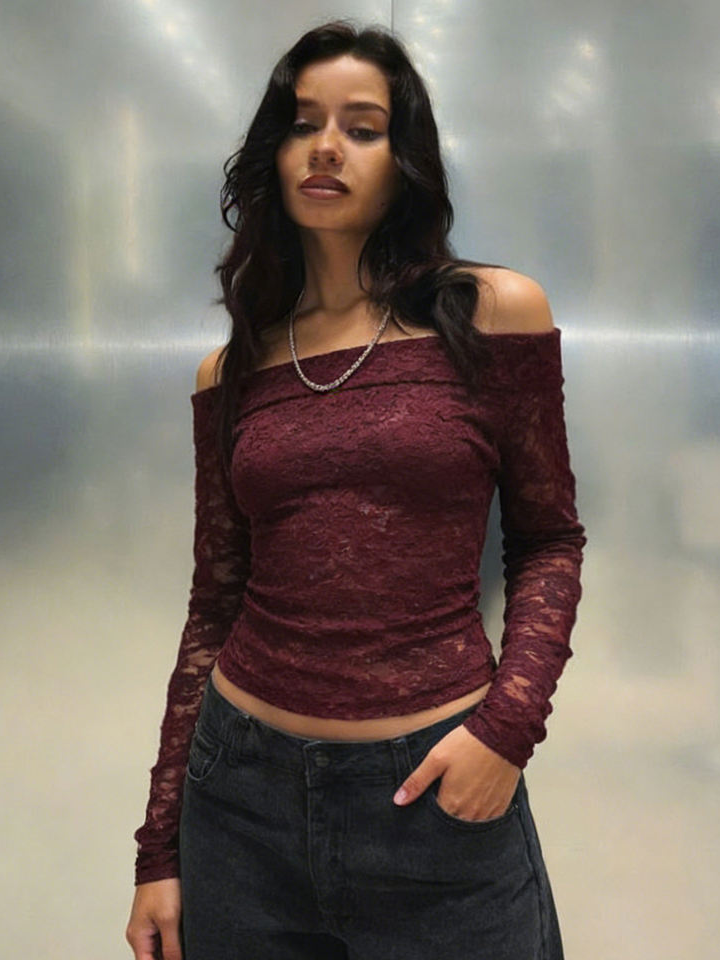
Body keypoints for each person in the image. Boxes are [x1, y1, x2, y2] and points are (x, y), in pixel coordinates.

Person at [126, 18, 586, 960]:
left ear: (403, 159)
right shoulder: (233, 369)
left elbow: (548, 540)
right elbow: (214, 603)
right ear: (274, 152)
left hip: (434, 795)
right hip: (239, 801)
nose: (327, 146)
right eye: (303, 123)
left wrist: (507, 729)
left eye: (362, 127)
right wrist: (159, 848)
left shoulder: (492, 314)